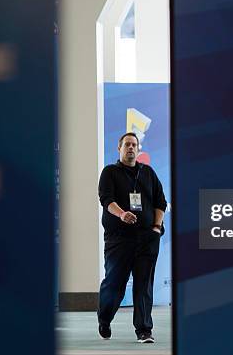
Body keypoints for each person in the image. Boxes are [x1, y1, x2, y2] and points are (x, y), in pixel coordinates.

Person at [97, 132, 166, 344]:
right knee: (115, 283)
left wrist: (156, 227)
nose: (130, 148)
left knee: (144, 285)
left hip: (147, 238)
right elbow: (106, 199)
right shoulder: (110, 172)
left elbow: (160, 202)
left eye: (134, 145)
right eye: (126, 144)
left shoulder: (148, 173)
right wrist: (122, 214)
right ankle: (105, 318)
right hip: (119, 239)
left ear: (138, 149)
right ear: (119, 148)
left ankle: (144, 330)